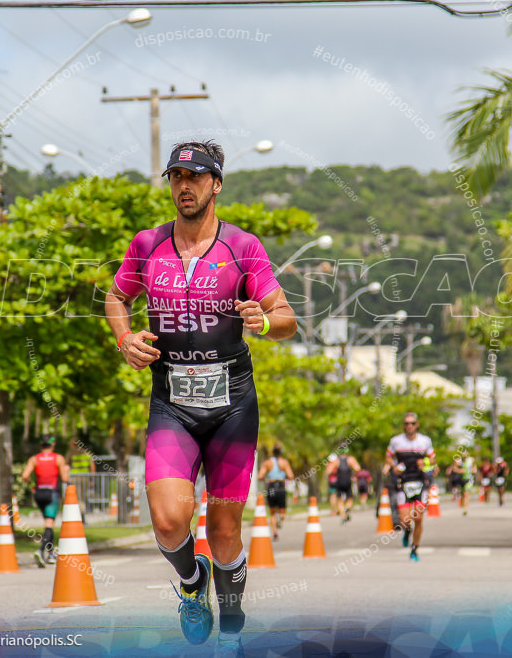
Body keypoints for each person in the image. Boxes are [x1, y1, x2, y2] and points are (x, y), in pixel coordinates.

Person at [105, 140, 296, 655]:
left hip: (232, 401)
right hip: (171, 401)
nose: (184, 186)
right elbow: (117, 296)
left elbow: (287, 319)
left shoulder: (243, 247)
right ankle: (193, 583)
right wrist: (125, 338)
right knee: (168, 520)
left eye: (195, 176)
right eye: (175, 177)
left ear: (216, 184)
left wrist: (264, 319)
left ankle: (231, 612)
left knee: (225, 529)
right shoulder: (147, 244)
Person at [386, 412, 435, 561]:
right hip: (403, 483)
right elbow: (388, 456)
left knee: (418, 518)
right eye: (407, 423)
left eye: (412, 423)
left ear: (417, 424)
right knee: (405, 520)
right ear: (403, 425)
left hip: (420, 483)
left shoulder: (425, 441)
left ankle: (415, 548)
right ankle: (407, 530)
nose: (410, 426)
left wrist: (425, 463)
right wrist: (393, 466)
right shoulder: (396, 441)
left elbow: (432, 459)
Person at [20, 436, 70, 566]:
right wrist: (67, 470)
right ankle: (41, 551)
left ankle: (51, 552)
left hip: (39, 493)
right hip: (51, 493)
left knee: (48, 523)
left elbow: (25, 476)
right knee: (49, 523)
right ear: (53, 444)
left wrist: (32, 485)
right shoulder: (58, 458)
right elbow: (65, 478)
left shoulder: (34, 459)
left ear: (40, 445)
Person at [257, 445, 294, 541]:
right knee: (282, 511)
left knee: (272, 513)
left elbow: (260, 476)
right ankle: (280, 519)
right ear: (281, 452)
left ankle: (275, 533)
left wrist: (267, 477)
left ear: (272, 452)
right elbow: (291, 475)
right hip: (281, 488)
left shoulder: (267, 463)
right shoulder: (284, 462)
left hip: (271, 488)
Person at [326, 447, 360, 524]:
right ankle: (347, 508)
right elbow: (358, 468)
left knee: (339, 500)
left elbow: (328, 471)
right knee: (350, 498)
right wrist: (354, 474)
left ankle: (343, 517)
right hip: (348, 481)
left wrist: (333, 472)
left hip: (339, 482)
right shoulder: (350, 459)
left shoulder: (336, 460)